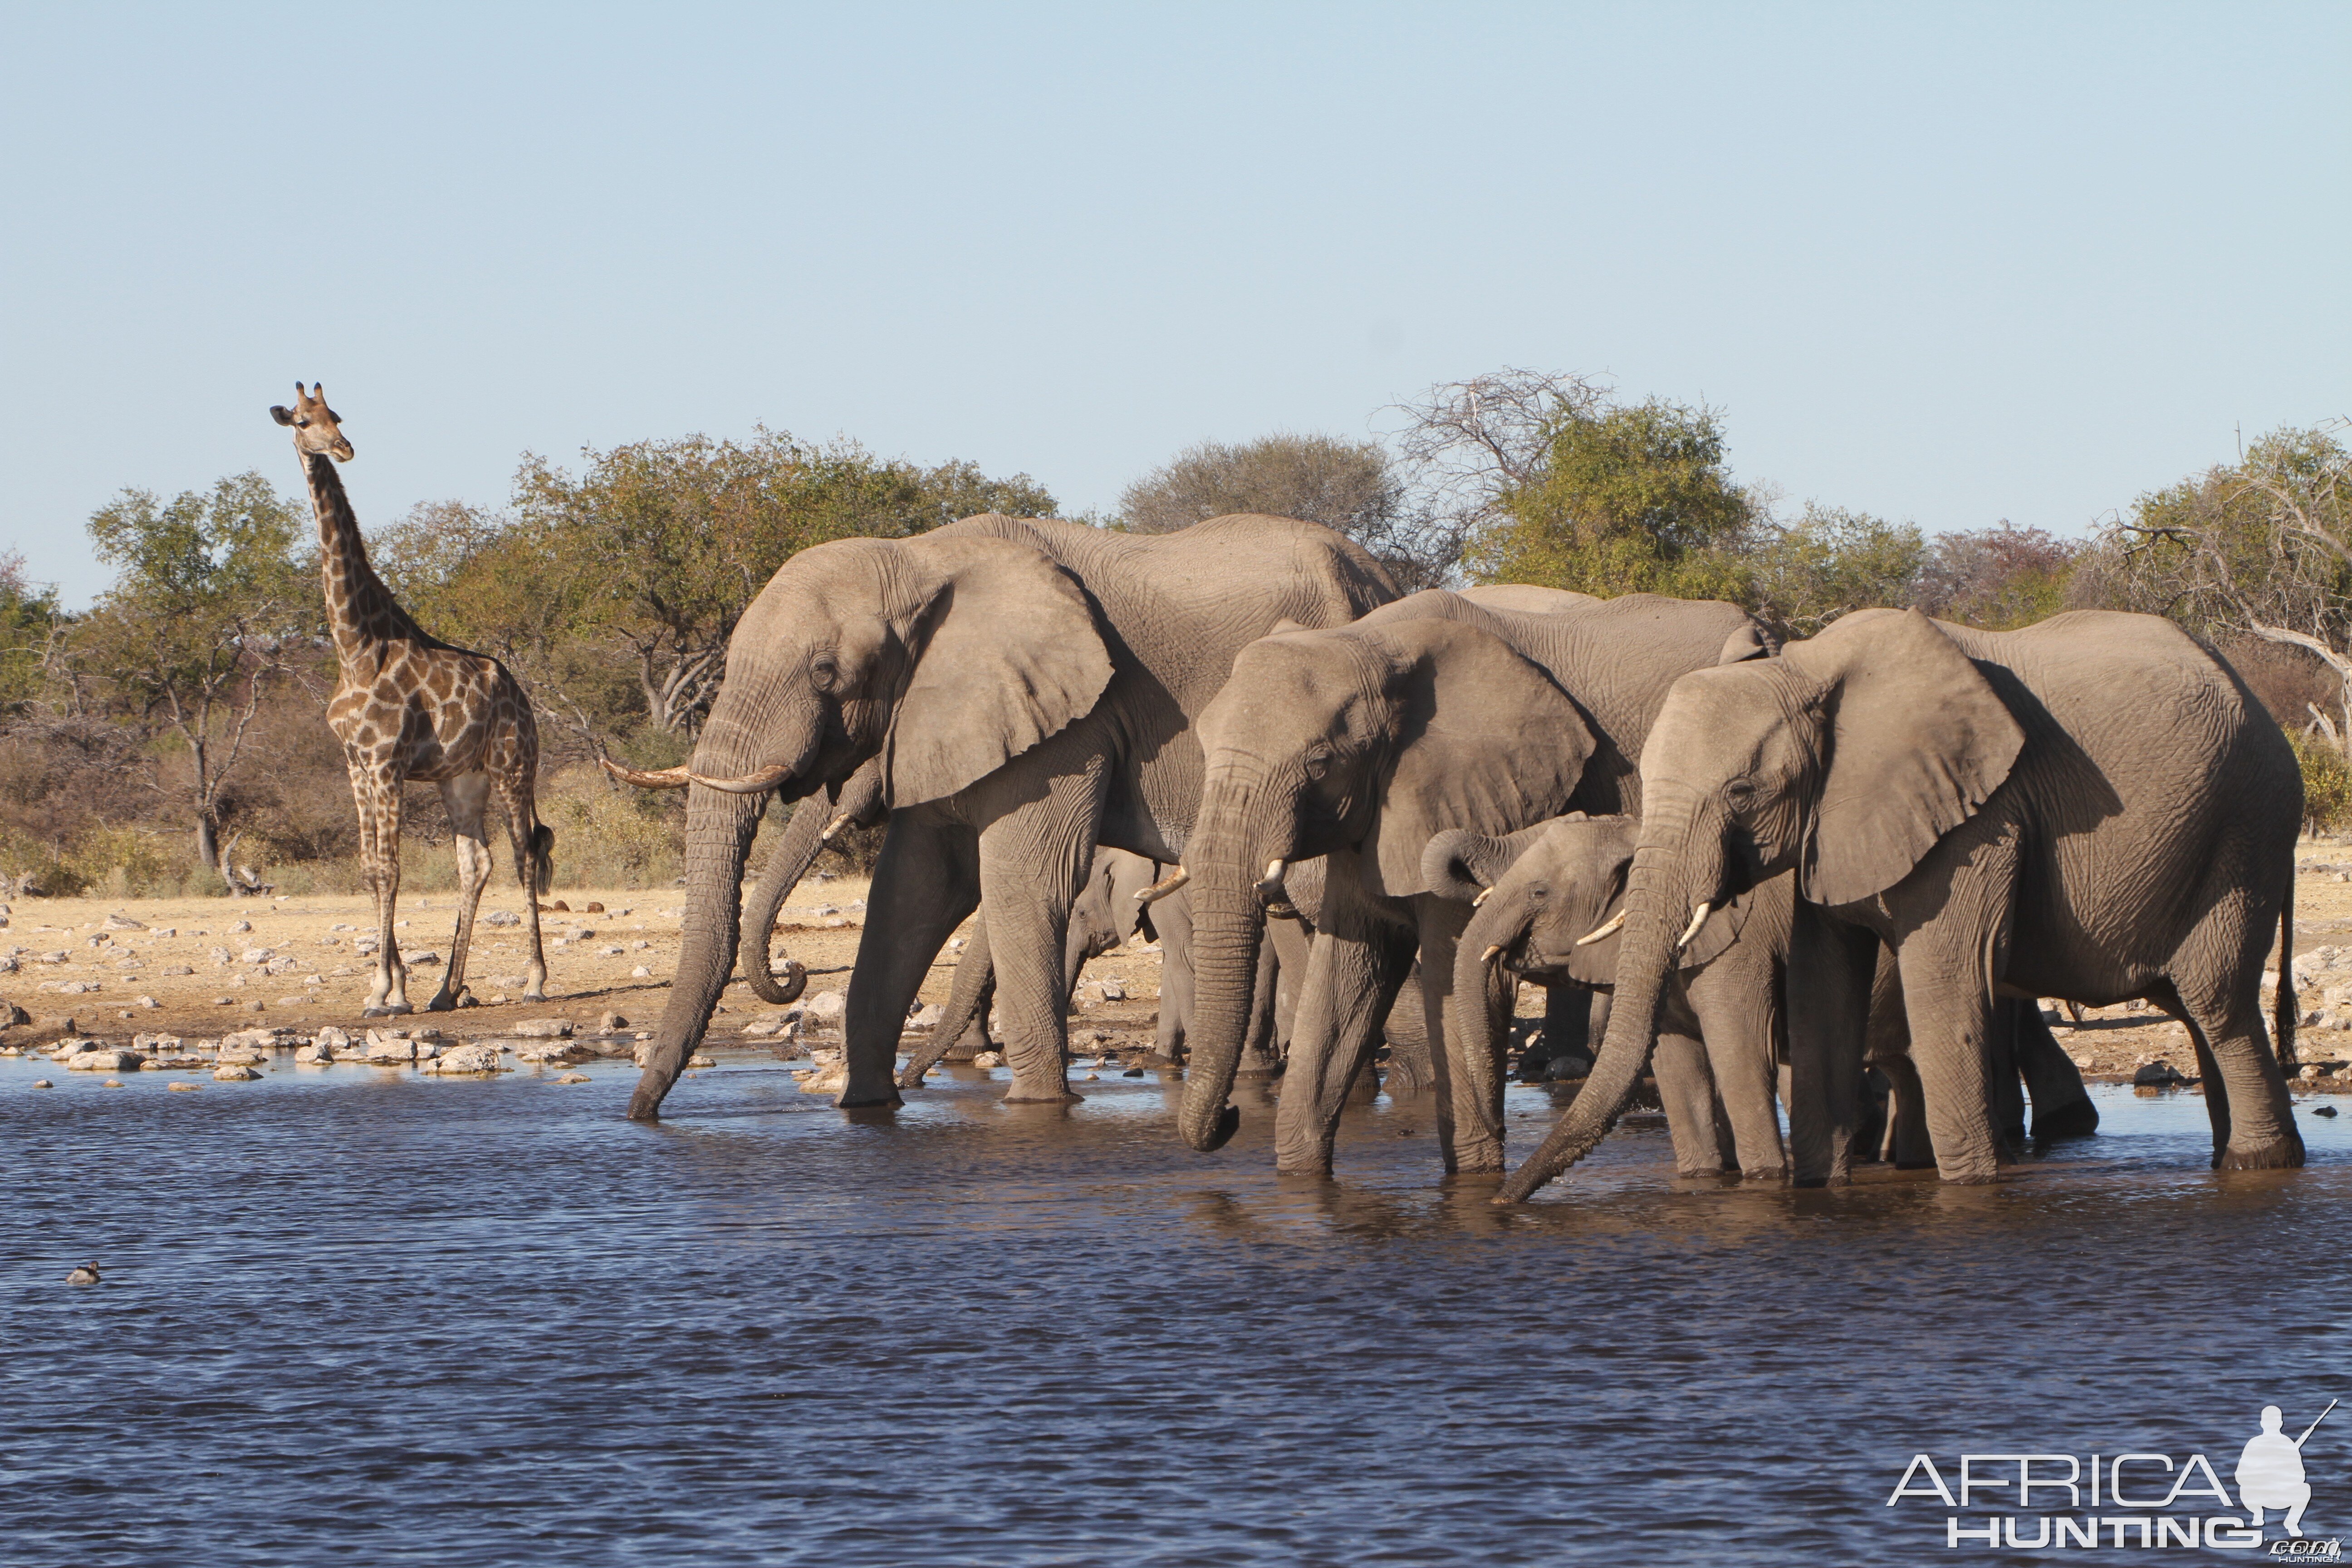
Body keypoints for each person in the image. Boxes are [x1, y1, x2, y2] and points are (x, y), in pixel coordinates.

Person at [2237, 1405, 2312, 1538]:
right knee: (2245, 1488)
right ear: (2281, 1423)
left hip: (2282, 1495)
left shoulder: (2288, 1444)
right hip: (2259, 1496)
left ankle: (2292, 1522)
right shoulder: (2254, 1443)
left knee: (2305, 1489)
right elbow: (2240, 1476)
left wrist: (2281, 1478)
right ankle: (2258, 1513)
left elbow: (2301, 1477)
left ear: (2262, 1423)